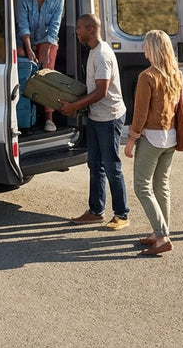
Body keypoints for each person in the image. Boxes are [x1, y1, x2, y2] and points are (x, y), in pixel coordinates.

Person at [59, 14, 129, 230]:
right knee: (95, 165)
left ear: (90, 29)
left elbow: (101, 91)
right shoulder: (93, 51)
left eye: (80, 28)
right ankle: (95, 211)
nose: (76, 31)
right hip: (97, 117)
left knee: (112, 167)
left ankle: (122, 215)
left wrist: (74, 106)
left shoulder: (102, 55)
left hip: (109, 118)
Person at [123, 30, 183, 256]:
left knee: (142, 186)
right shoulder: (176, 74)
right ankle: (159, 231)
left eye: (145, 45)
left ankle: (161, 236)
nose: (143, 49)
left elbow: (140, 113)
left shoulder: (147, 76)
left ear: (153, 48)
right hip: (170, 137)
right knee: (161, 185)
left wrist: (131, 139)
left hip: (151, 137)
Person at [15, 0, 65, 132]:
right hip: (24, 39)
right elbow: (23, 25)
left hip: (47, 40)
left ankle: (49, 118)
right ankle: (24, 116)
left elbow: (54, 28)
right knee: (23, 69)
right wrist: (29, 49)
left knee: (47, 73)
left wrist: (46, 52)